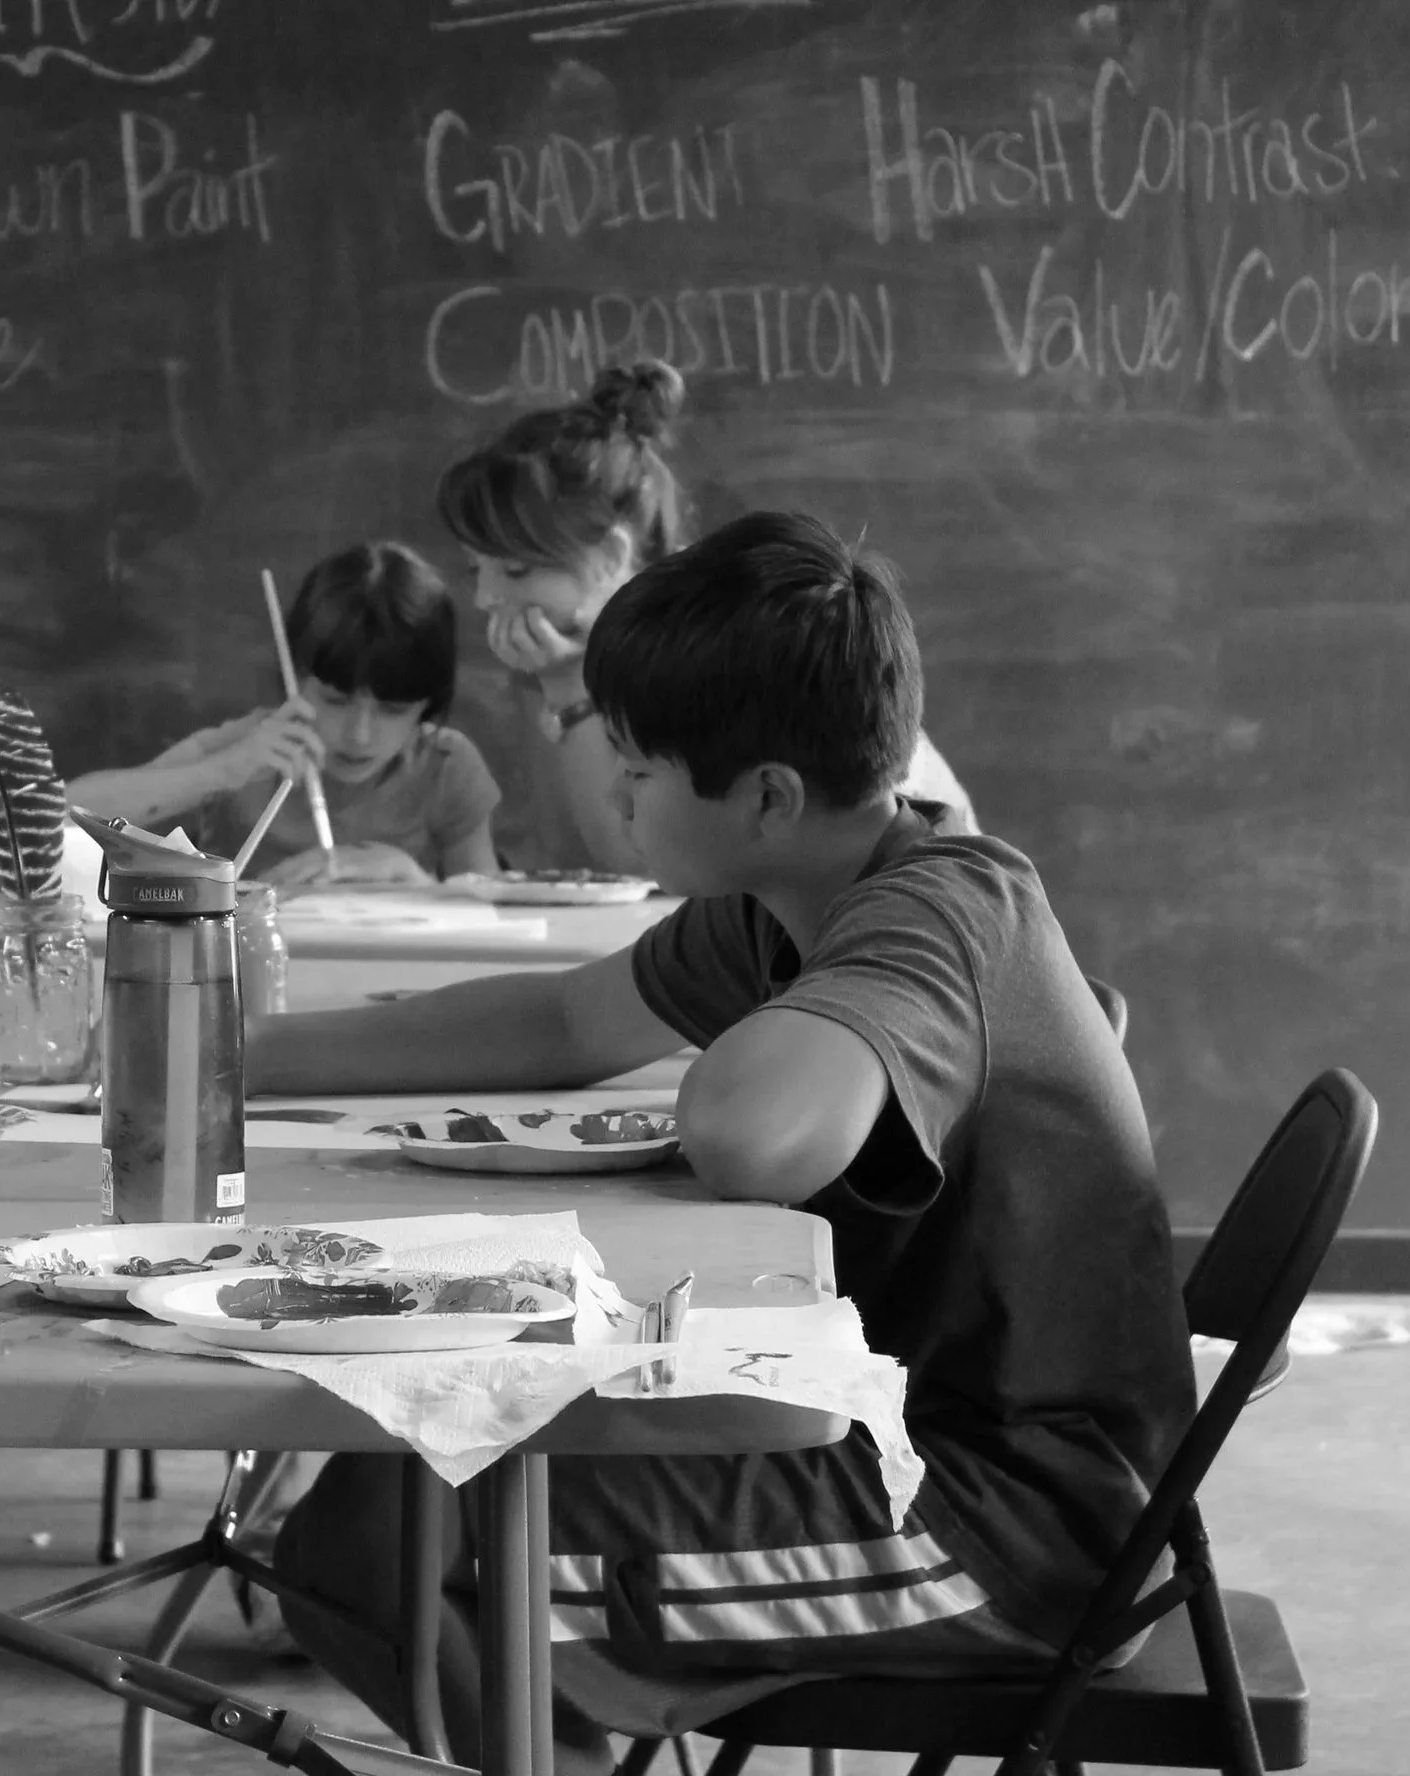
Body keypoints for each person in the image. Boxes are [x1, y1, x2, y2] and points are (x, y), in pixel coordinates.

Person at [256, 513, 1192, 1771]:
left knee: (384, 1545)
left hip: (1009, 1527)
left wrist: (738, 1049)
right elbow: (562, 1019)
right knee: (387, 1512)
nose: (619, 801)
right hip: (885, 1435)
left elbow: (754, 1136)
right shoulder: (783, 896)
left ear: (765, 798)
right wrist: (228, 1046)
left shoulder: (939, 907)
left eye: (639, 772)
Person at [440, 361, 976, 871]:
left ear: (610, 556)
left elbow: (638, 857)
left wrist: (570, 695)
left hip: (911, 911)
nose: (487, 597)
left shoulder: (714, 654)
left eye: (514, 571)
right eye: (474, 570)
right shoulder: (585, 658)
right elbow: (579, 864)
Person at [69, 542, 502, 883]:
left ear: (429, 702)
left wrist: (415, 880)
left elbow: (496, 922)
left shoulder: (446, 767)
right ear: (295, 674)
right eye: (335, 700)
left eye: (394, 709)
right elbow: (63, 815)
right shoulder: (254, 748)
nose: (360, 736)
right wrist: (223, 771)